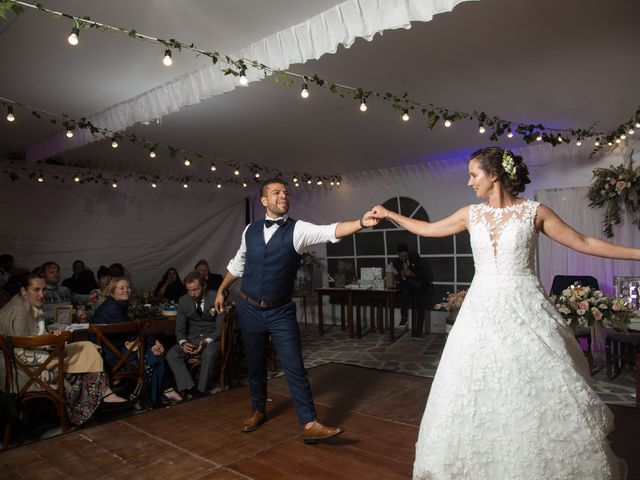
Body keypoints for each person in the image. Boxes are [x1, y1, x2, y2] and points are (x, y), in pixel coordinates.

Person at [369, 146, 634, 479]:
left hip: (525, 308)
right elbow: (428, 229)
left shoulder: (535, 212)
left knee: (531, 384)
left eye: (473, 175)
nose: (469, 183)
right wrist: (390, 214)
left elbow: (583, 241)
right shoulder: (471, 214)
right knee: (476, 383)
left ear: (494, 175)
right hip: (480, 311)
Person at [214, 178, 377, 443]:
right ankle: (257, 410)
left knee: (295, 367)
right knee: (255, 365)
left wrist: (360, 223)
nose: (283, 196)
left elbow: (330, 230)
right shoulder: (250, 231)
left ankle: (310, 423)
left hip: (280, 312)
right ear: (264, 201)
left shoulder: (298, 229)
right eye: (276, 192)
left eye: (286, 193)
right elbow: (238, 263)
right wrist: (221, 289)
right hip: (249, 309)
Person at [0, 273, 129, 426]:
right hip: (24, 368)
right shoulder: (18, 312)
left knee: (86, 347)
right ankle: (89, 406)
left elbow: (34, 337)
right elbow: (21, 352)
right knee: (84, 354)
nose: (41, 294)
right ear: (23, 291)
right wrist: (55, 349)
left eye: (43, 289)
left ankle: (105, 393)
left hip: (41, 354)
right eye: (36, 290)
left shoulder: (28, 305)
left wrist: (51, 338)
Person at [91, 277, 182, 406]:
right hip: (111, 357)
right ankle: (154, 394)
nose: (126, 290)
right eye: (121, 288)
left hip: (118, 349)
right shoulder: (112, 309)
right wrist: (153, 342)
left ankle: (156, 394)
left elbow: (129, 332)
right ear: (112, 291)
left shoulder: (116, 304)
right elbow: (131, 331)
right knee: (154, 356)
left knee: (155, 352)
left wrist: (149, 342)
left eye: (128, 287)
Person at [166, 271, 220, 398]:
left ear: (204, 286)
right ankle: (190, 388)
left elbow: (220, 328)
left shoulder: (216, 297)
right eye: (189, 290)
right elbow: (179, 329)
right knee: (172, 354)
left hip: (213, 339)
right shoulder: (183, 301)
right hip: (192, 339)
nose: (192, 294)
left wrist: (206, 341)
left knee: (209, 353)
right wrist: (183, 343)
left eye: (195, 290)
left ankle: (201, 391)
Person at [392, 244, 429, 337]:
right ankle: (404, 317)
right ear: (398, 255)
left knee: (420, 306)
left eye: (405, 256)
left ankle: (418, 333)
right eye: (401, 256)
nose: (403, 258)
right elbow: (398, 277)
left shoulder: (415, 257)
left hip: (420, 284)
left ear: (407, 253)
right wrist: (402, 275)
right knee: (401, 291)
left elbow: (422, 273)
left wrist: (412, 273)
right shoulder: (396, 262)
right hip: (408, 285)